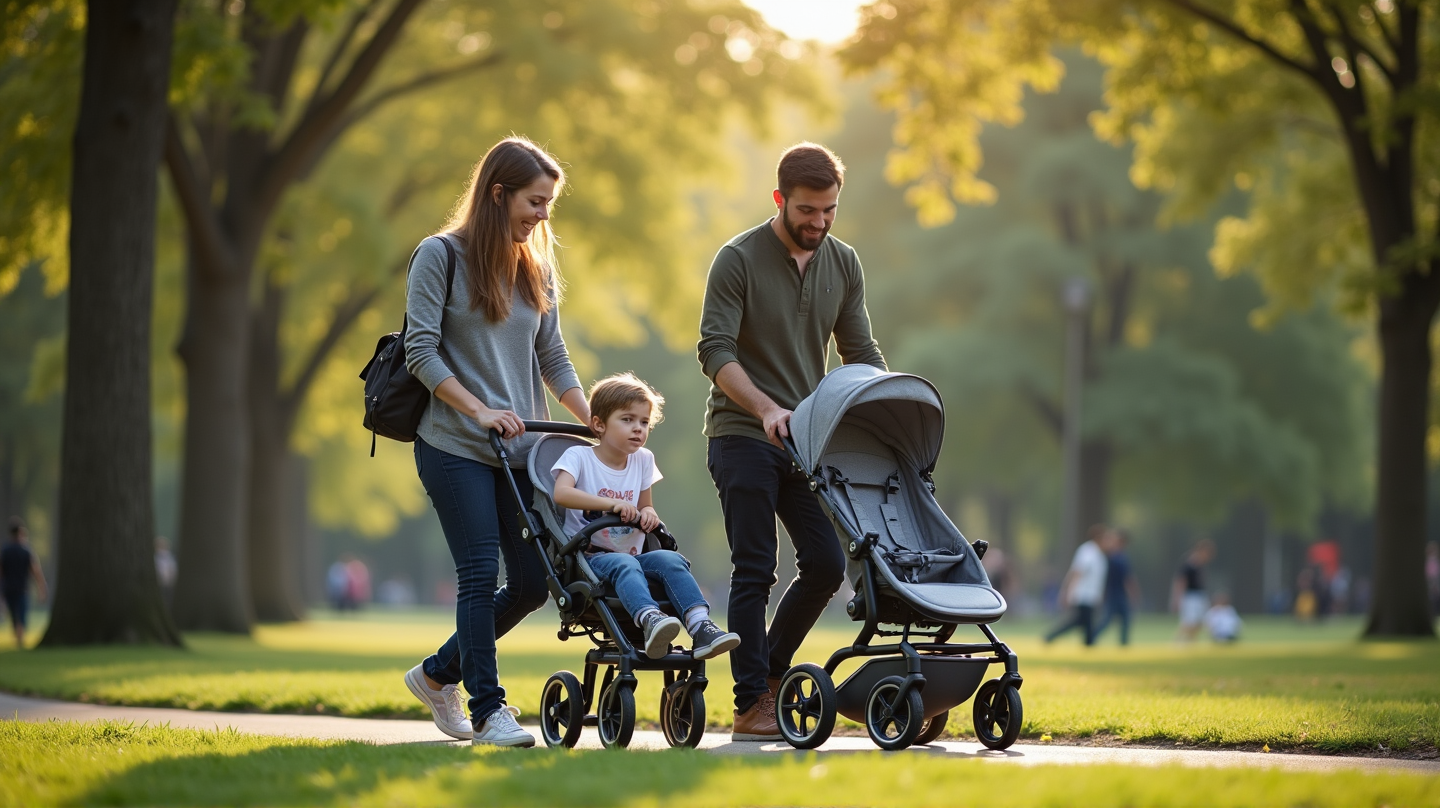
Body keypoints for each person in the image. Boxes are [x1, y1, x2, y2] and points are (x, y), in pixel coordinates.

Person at [400, 137, 590, 748]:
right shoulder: (439, 256)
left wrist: (596, 426)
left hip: (519, 454)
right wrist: (479, 409)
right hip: (454, 443)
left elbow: (553, 358)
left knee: (535, 581)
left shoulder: (536, 266)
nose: (543, 215)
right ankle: (488, 710)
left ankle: (436, 675)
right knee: (480, 572)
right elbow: (420, 351)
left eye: (549, 204)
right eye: (536, 201)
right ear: (498, 192)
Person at [697, 142, 886, 740]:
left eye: (830, 210)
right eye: (808, 210)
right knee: (755, 567)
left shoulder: (844, 262)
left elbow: (861, 353)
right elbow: (714, 351)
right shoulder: (738, 259)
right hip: (740, 432)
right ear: (780, 199)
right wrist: (765, 407)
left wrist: (890, 411)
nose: (820, 222)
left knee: (828, 564)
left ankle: (771, 675)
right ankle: (750, 701)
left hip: (804, 440)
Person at [551, 373, 740, 660]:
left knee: (672, 560)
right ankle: (650, 620)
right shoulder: (579, 457)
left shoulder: (643, 460)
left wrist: (648, 514)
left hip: (634, 553)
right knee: (625, 565)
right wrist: (611, 503)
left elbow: (645, 505)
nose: (638, 429)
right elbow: (561, 494)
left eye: (644, 422)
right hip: (591, 559)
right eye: (627, 420)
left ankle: (700, 625)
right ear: (599, 424)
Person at [1044, 525, 1112, 646]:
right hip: (1083, 595)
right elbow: (1076, 573)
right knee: (1084, 622)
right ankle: (1088, 643)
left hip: (1091, 596)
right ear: (1098, 538)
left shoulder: (1100, 555)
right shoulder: (1087, 552)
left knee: (1080, 621)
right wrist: (1068, 592)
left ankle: (1051, 637)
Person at [2, 517, 47, 648]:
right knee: (21, 615)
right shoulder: (26, 551)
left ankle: (19, 637)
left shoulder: (5, 551)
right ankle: (20, 639)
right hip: (22, 589)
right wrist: (42, 587)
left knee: (15, 616)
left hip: (9, 588)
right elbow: (35, 571)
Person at [1092, 528, 1139, 646]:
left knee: (1122, 620)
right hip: (1115, 594)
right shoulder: (1115, 558)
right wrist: (1133, 592)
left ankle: (1123, 643)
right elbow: (1127, 579)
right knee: (1110, 620)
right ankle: (1091, 637)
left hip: (1116, 593)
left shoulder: (1113, 557)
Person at [1171, 538, 1215, 642]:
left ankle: (1191, 642)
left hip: (1199, 595)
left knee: (1200, 622)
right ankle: (1177, 641)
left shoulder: (1201, 564)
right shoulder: (1190, 563)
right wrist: (1177, 598)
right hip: (1191, 596)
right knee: (1189, 622)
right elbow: (1181, 581)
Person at [154, 536, 177, 611]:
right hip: (162, 584)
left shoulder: (168, 557)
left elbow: (172, 571)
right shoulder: (161, 557)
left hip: (166, 584)